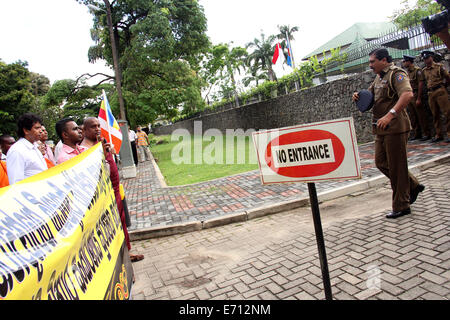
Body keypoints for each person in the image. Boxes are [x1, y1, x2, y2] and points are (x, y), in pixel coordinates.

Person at [352, 48, 425, 219]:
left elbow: (407, 94)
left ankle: (402, 205)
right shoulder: (379, 77)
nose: (370, 65)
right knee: (381, 162)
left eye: (372, 61)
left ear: (383, 60)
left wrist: (390, 114)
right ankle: (413, 185)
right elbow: (370, 95)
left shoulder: (396, 74)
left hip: (395, 127)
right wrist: (358, 96)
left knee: (397, 166)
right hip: (381, 129)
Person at [81, 117, 144, 263]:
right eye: (93, 126)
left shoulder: (101, 143)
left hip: (114, 188)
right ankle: (120, 257)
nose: (97, 128)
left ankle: (126, 251)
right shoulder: (85, 150)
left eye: (98, 126)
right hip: (103, 194)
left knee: (121, 221)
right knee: (112, 224)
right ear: (84, 130)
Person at [6, 113, 47, 184]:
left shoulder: (34, 147)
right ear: (26, 131)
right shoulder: (17, 151)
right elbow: (15, 182)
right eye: (37, 128)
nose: (41, 131)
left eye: (40, 127)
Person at [421, 50, 450, 143]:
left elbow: (447, 77)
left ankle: (449, 134)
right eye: (424, 59)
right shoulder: (424, 70)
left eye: (427, 58)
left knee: (447, 113)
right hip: (431, 93)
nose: (426, 60)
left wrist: (444, 86)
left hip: (440, 91)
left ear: (431, 57)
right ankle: (438, 134)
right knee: (434, 114)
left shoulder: (439, 67)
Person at [402, 55, 431, 141]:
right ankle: (416, 133)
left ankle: (426, 133)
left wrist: (418, 98)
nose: (403, 63)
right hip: (409, 95)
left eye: (405, 61)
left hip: (415, 94)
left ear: (409, 61)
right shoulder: (407, 72)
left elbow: (420, 84)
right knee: (412, 116)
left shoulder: (417, 71)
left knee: (421, 115)